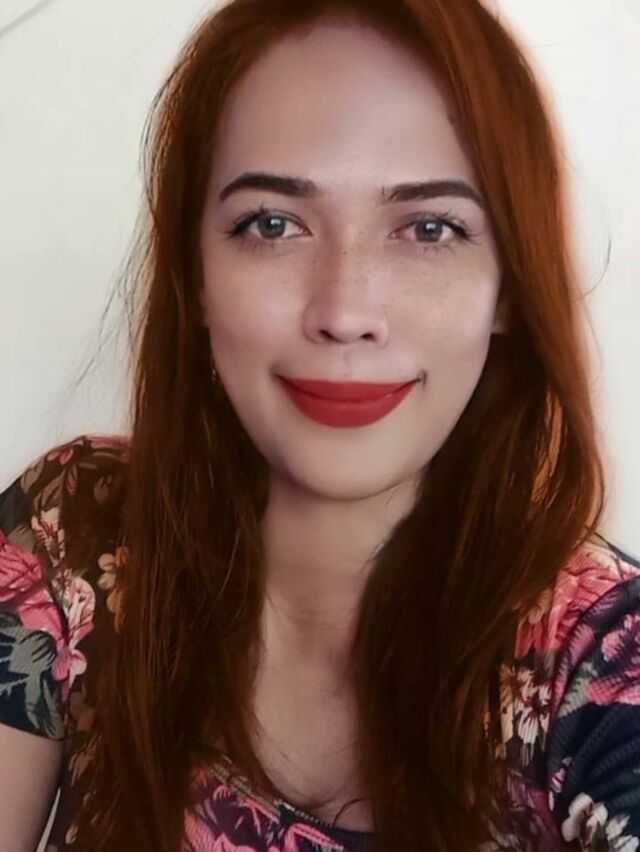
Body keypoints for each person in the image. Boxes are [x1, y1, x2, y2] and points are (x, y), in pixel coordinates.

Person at [1, 0, 639, 849]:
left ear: (508, 290)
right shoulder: (71, 531)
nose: (344, 312)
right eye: (273, 224)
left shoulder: (604, 659)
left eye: (430, 228)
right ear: (195, 275)